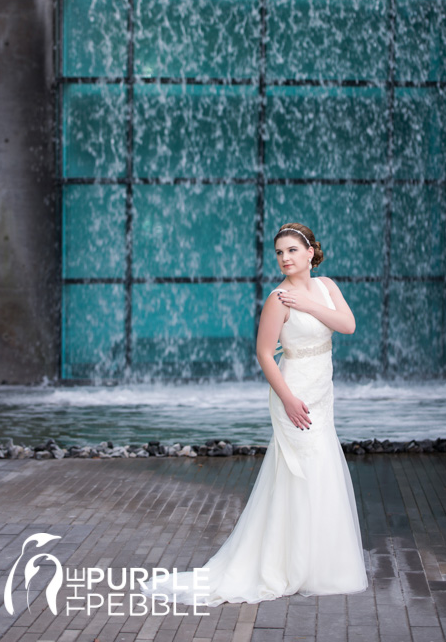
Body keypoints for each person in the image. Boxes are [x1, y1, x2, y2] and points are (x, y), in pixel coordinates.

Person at [141, 222, 368, 607]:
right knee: (300, 468)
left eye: (292, 251)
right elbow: (265, 354)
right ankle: (289, 563)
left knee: (323, 465)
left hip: (322, 391)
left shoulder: (327, 287)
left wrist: (310, 304)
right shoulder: (277, 299)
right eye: (279, 253)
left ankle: (322, 563)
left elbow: (347, 325)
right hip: (292, 389)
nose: (284, 258)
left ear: (310, 252)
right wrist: (289, 399)